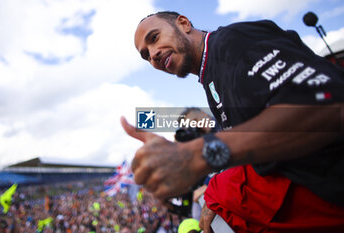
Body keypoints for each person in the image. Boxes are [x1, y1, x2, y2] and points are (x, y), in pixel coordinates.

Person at [120, 11, 344, 232]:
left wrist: (196, 154)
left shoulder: (235, 41)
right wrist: (214, 195)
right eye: (146, 55)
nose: (153, 55)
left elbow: (326, 105)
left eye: (154, 38)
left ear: (184, 23)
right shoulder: (210, 76)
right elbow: (257, 146)